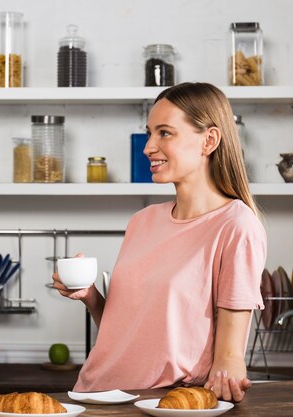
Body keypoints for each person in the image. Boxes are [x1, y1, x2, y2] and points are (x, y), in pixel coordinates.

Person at [53, 82, 266, 403]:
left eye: (164, 133)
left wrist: (226, 382)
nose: (148, 146)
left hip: (163, 404)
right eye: (150, 132)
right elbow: (127, 333)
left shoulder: (235, 225)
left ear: (209, 140)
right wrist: (90, 296)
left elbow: (229, 357)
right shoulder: (143, 221)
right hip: (93, 394)